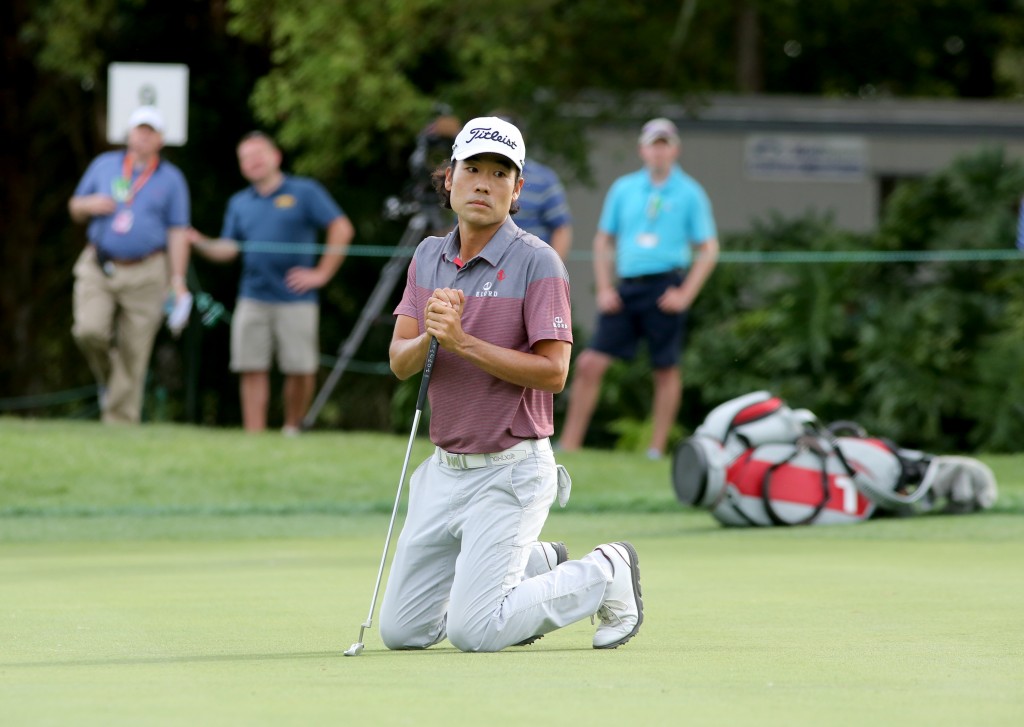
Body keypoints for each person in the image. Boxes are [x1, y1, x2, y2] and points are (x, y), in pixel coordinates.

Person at [378, 116, 644, 653]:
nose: (483, 183)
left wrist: (462, 342)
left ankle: (606, 571)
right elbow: (399, 362)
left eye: (500, 174)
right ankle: (536, 563)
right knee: (403, 632)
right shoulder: (428, 255)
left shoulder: (538, 262)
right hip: (445, 471)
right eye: (472, 169)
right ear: (448, 177)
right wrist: (432, 335)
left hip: (510, 471)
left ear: (517, 189)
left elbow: (554, 372)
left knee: (474, 631)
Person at [558, 117, 719, 459]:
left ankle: (655, 450)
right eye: (653, 144)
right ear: (642, 149)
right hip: (627, 288)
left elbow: (708, 249)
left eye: (665, 144)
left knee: (665, 369)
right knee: (589, 363)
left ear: (675, 149)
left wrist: (686, 294)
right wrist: (603, 288)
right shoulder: (624, 188)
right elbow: (603, 240)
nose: (659, 151)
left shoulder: (690, 193)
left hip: (667, 287)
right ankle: (569, 445)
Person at [188, 132, 355, 434]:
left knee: (301, 369)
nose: (252, 162)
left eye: (258, 154)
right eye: (245, 158)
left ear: (275, 156)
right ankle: (255, 435)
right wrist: (199, 242)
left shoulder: (305, 191)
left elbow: (341, 228)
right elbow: (229, 248)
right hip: (252, 296)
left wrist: (321, 274)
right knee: (250, 366)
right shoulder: (239, 203)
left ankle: (292, 428)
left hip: (297, 297)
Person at [68, 105, 192, 424]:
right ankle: (109, 381)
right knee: (89, 330)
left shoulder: (172, 179)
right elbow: (75, 207)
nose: (143, 136)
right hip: (99, 263)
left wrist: (177, 280)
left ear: (161, 140)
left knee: (135, 350)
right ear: (129, 134)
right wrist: (88, 204)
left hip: (148, 269)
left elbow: (178, 233)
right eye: (139, 130)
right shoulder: (104, 165)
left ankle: (119, 423)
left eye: (151, 132)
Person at [491, 112, 573, 260]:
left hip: (530, 268)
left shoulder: (544, 178)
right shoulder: (471, 178)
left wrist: (551, 272)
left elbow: (561, 229)